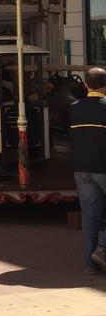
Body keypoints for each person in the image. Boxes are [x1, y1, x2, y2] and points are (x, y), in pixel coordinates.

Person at [70, 66, 106, 274]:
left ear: (85, 85)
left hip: (82, 168)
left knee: (90, 215)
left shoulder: (75, 107)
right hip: (103, 166)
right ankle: (102, 250)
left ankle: (90, 264)